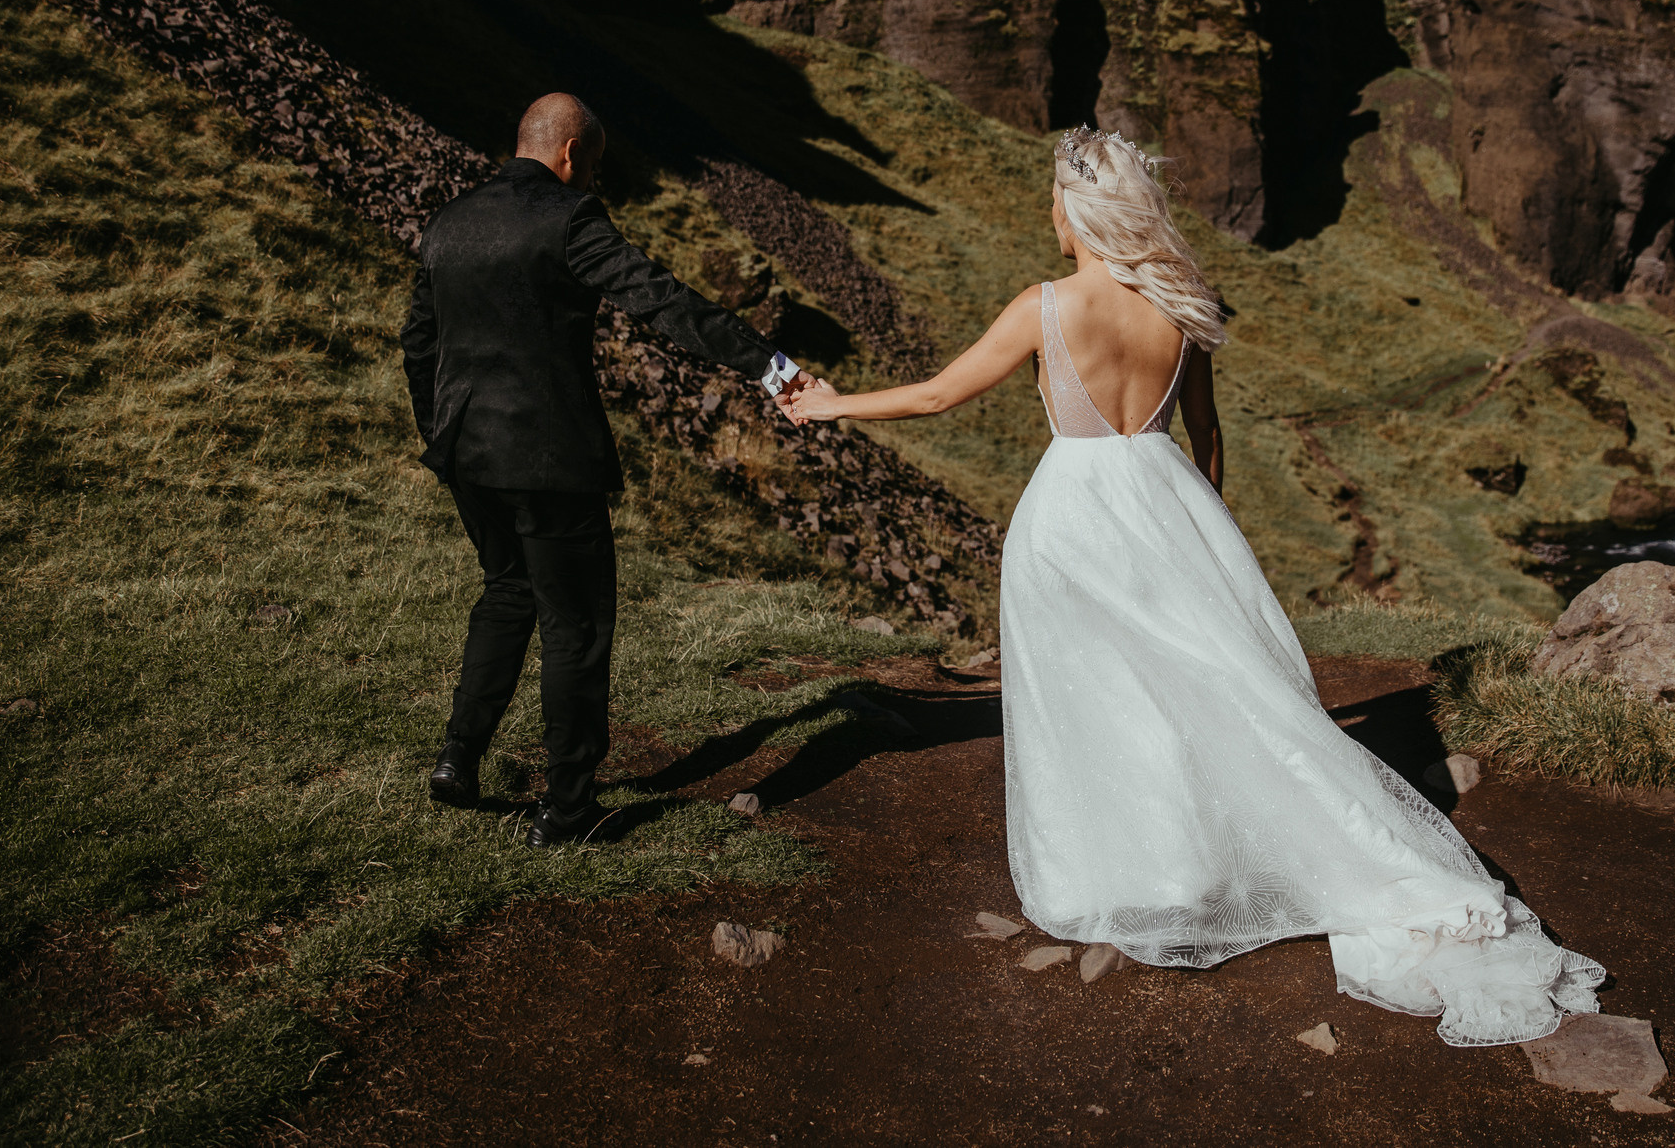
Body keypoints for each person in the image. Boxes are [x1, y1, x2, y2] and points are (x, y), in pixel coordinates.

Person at [781, 125, 1604, 1044]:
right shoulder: (1182, 303)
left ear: (1079, 207)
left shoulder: (1048, 304)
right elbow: (1207, 437)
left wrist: (828, 403)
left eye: (1055, 197)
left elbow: (938, 396)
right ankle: (1204, 862)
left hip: (1072, 520)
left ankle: (1138, 873)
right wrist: (1195, 530)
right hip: (1169, 500)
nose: (1049, 212)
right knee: (1197, 689)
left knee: (1098, 694)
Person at [401, 93, 794, 847]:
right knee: (575, 628)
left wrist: (440, 431)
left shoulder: (449, 221)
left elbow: (418, 341)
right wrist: (770, 366)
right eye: (597, 167)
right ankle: (568, 807)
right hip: (549, 460)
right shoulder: (569, 218)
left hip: (466, 455)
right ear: (570, 155)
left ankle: (459, 754)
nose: (595, 182)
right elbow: (661, 301)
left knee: (506, 591)